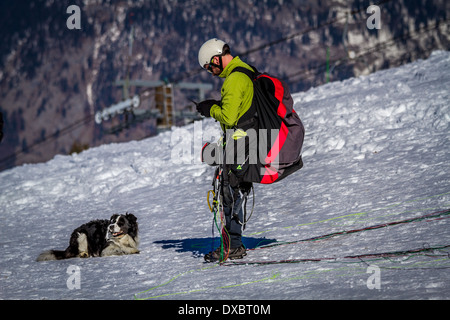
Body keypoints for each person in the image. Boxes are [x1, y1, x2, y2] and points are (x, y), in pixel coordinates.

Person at [197, 38, 255, 262]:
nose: (211, 72)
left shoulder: (234, 79)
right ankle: (234, 244)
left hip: (239, 144)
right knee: (235, 195)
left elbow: (230, 117)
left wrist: (211, 108)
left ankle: (233, 247)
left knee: (230, 197)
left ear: (216, 57)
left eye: (210, 67)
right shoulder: (247, 71)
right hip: (249, 142)